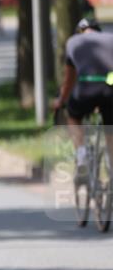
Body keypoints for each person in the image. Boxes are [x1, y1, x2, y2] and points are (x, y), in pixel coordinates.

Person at [53, 17, 113, 182]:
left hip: (86, 89)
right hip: (110, 89)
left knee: (73, 115)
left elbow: (69, 81)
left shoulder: (74, 42)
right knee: (110, 127)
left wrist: (61, 101)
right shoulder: (110, 38)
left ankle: (82, 156)